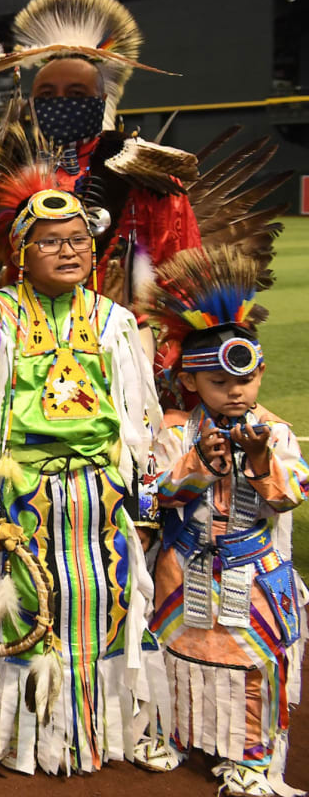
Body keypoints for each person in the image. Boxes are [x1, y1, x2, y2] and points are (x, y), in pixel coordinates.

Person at [0, 168, 164, 778]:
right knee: (26, 611)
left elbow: (140, 423)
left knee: (108, 601)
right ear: (22, 252)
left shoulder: (114, 321)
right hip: (25, 496)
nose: (68, 251)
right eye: (50, 240)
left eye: (77, 240)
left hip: (103, 498)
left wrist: (144, 506)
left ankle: (104, 733)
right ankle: (18, 738)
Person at [137, 243, 305, 796]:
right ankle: (174, 733)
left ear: (260, 372)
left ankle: (253, 761)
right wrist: (199, 465)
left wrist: (258, 463)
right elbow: (154, 496)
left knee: (254, 665)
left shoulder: (276, 433)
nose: (236, 393)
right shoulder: (175, 430)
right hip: (183, 567)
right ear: (190, 381)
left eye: (246, 381)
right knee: (174, 652)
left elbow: (288, 498)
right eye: (219, 384)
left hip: (253, 571)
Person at [0, 0, 200, 306]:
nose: (61, 103)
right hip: (17, 341)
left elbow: (184, 278)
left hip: (117, 342)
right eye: (48, 96)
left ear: (101, 101)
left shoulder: (146, 179)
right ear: (33, 105)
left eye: (77, 94)